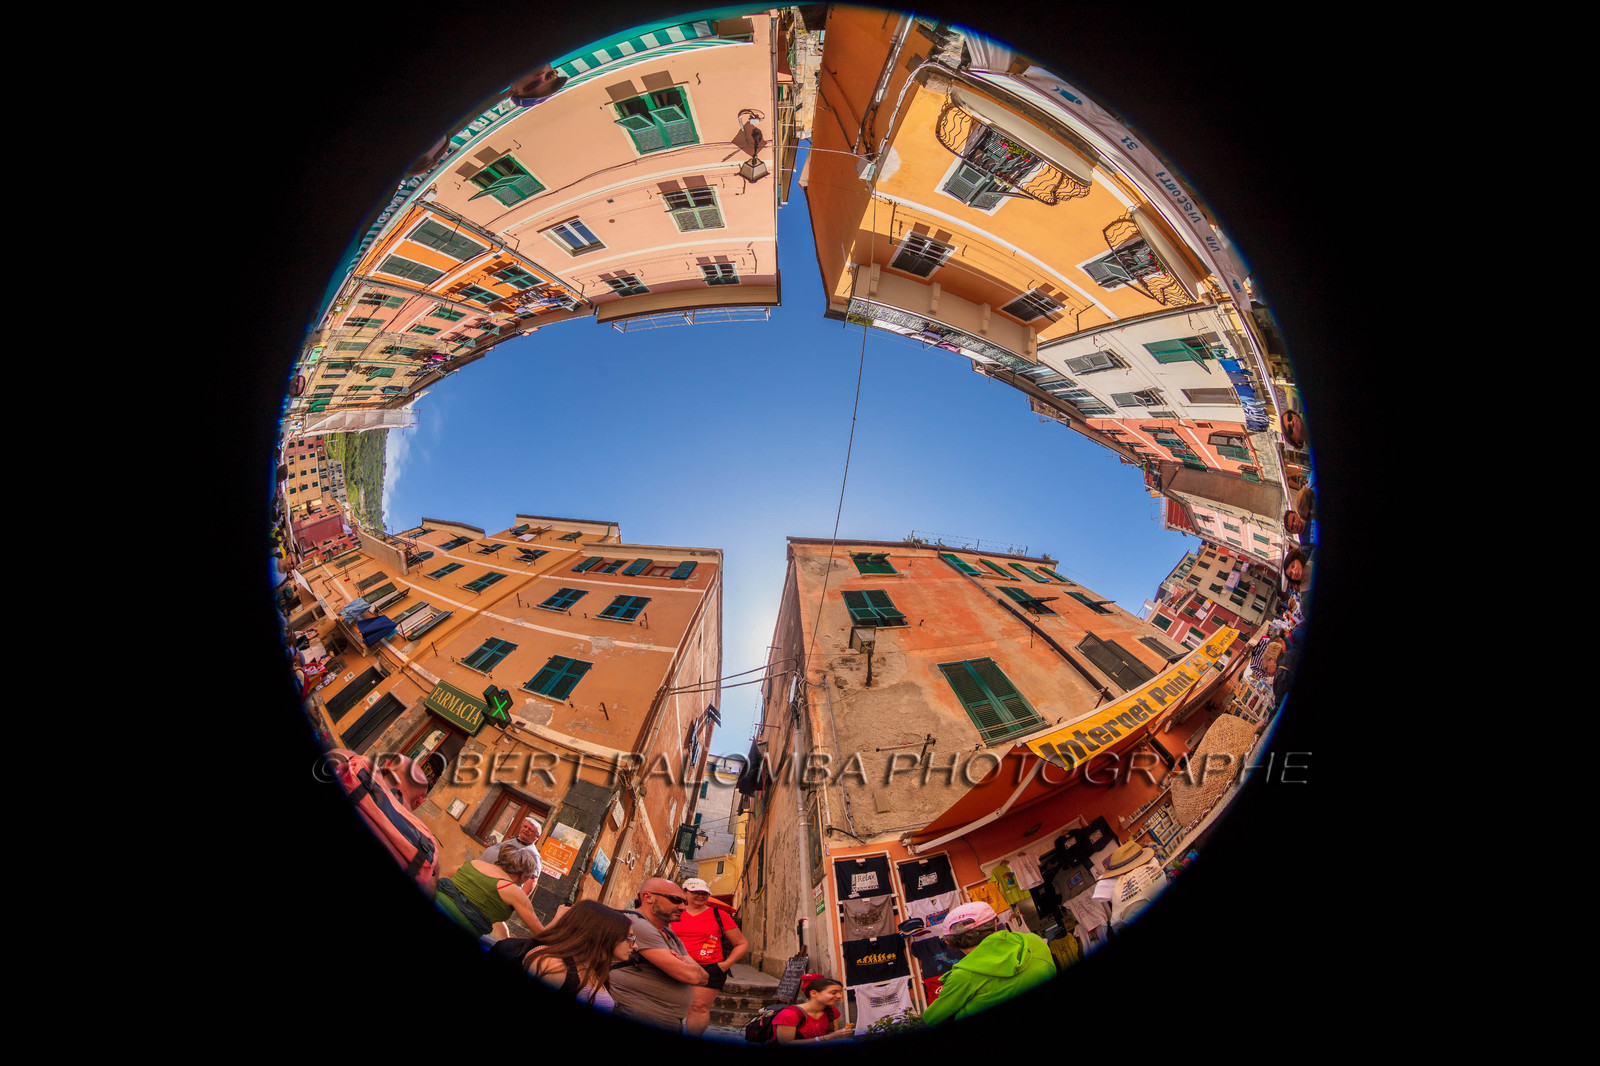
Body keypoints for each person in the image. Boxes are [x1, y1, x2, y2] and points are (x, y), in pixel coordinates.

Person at [918, 901, 1055, 1026]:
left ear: (948, 942)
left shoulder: (962, 976)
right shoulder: (1033, 941)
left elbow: (930, 1020)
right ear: (995, 924)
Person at [608, 877, 708, 1031]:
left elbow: (704, 978)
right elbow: (693, 976)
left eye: (684, 902)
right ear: (648, 897)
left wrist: (692, 970)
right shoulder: (636, 924)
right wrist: (688, 967)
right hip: (636, 1014)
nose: (682, 907)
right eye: (675, 900)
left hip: (665, 1019)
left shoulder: (669, 933)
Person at [519, 900, 636, 1012]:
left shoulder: (594, 966)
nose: (635, 946)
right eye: (629, 938)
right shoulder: (553, 965)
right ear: (603, 935)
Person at [670, 877, 750, 1036]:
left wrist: (726, 964)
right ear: (684, 893)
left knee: (699, 1007)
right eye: (695, 892)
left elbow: (742, 944)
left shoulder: (719, 915)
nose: (700, 896)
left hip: (709, 968)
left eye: (704, 893)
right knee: (670, 1005)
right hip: (674, 965)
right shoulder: (673, 911)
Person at [434, 842, 547, 941]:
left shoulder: (476, 864)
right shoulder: (515, 892)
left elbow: (450, 872)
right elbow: (539, 932)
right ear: (523, 876)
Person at [771, 974, 852, 1043]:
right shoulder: (789, 1014)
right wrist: (826, 1038)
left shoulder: (833, 1011)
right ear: (813, 993)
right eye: (834, 993)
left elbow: (832, 1035)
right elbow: (786, 1044)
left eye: (840, 992)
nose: (839, 996)